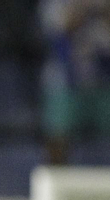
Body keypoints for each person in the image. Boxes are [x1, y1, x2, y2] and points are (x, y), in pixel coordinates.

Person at [42, 1, 110, 163]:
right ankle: (56, 174)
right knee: (57, 133)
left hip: (103, 78)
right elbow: (60, 29)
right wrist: (83, 6)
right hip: (66, 80)